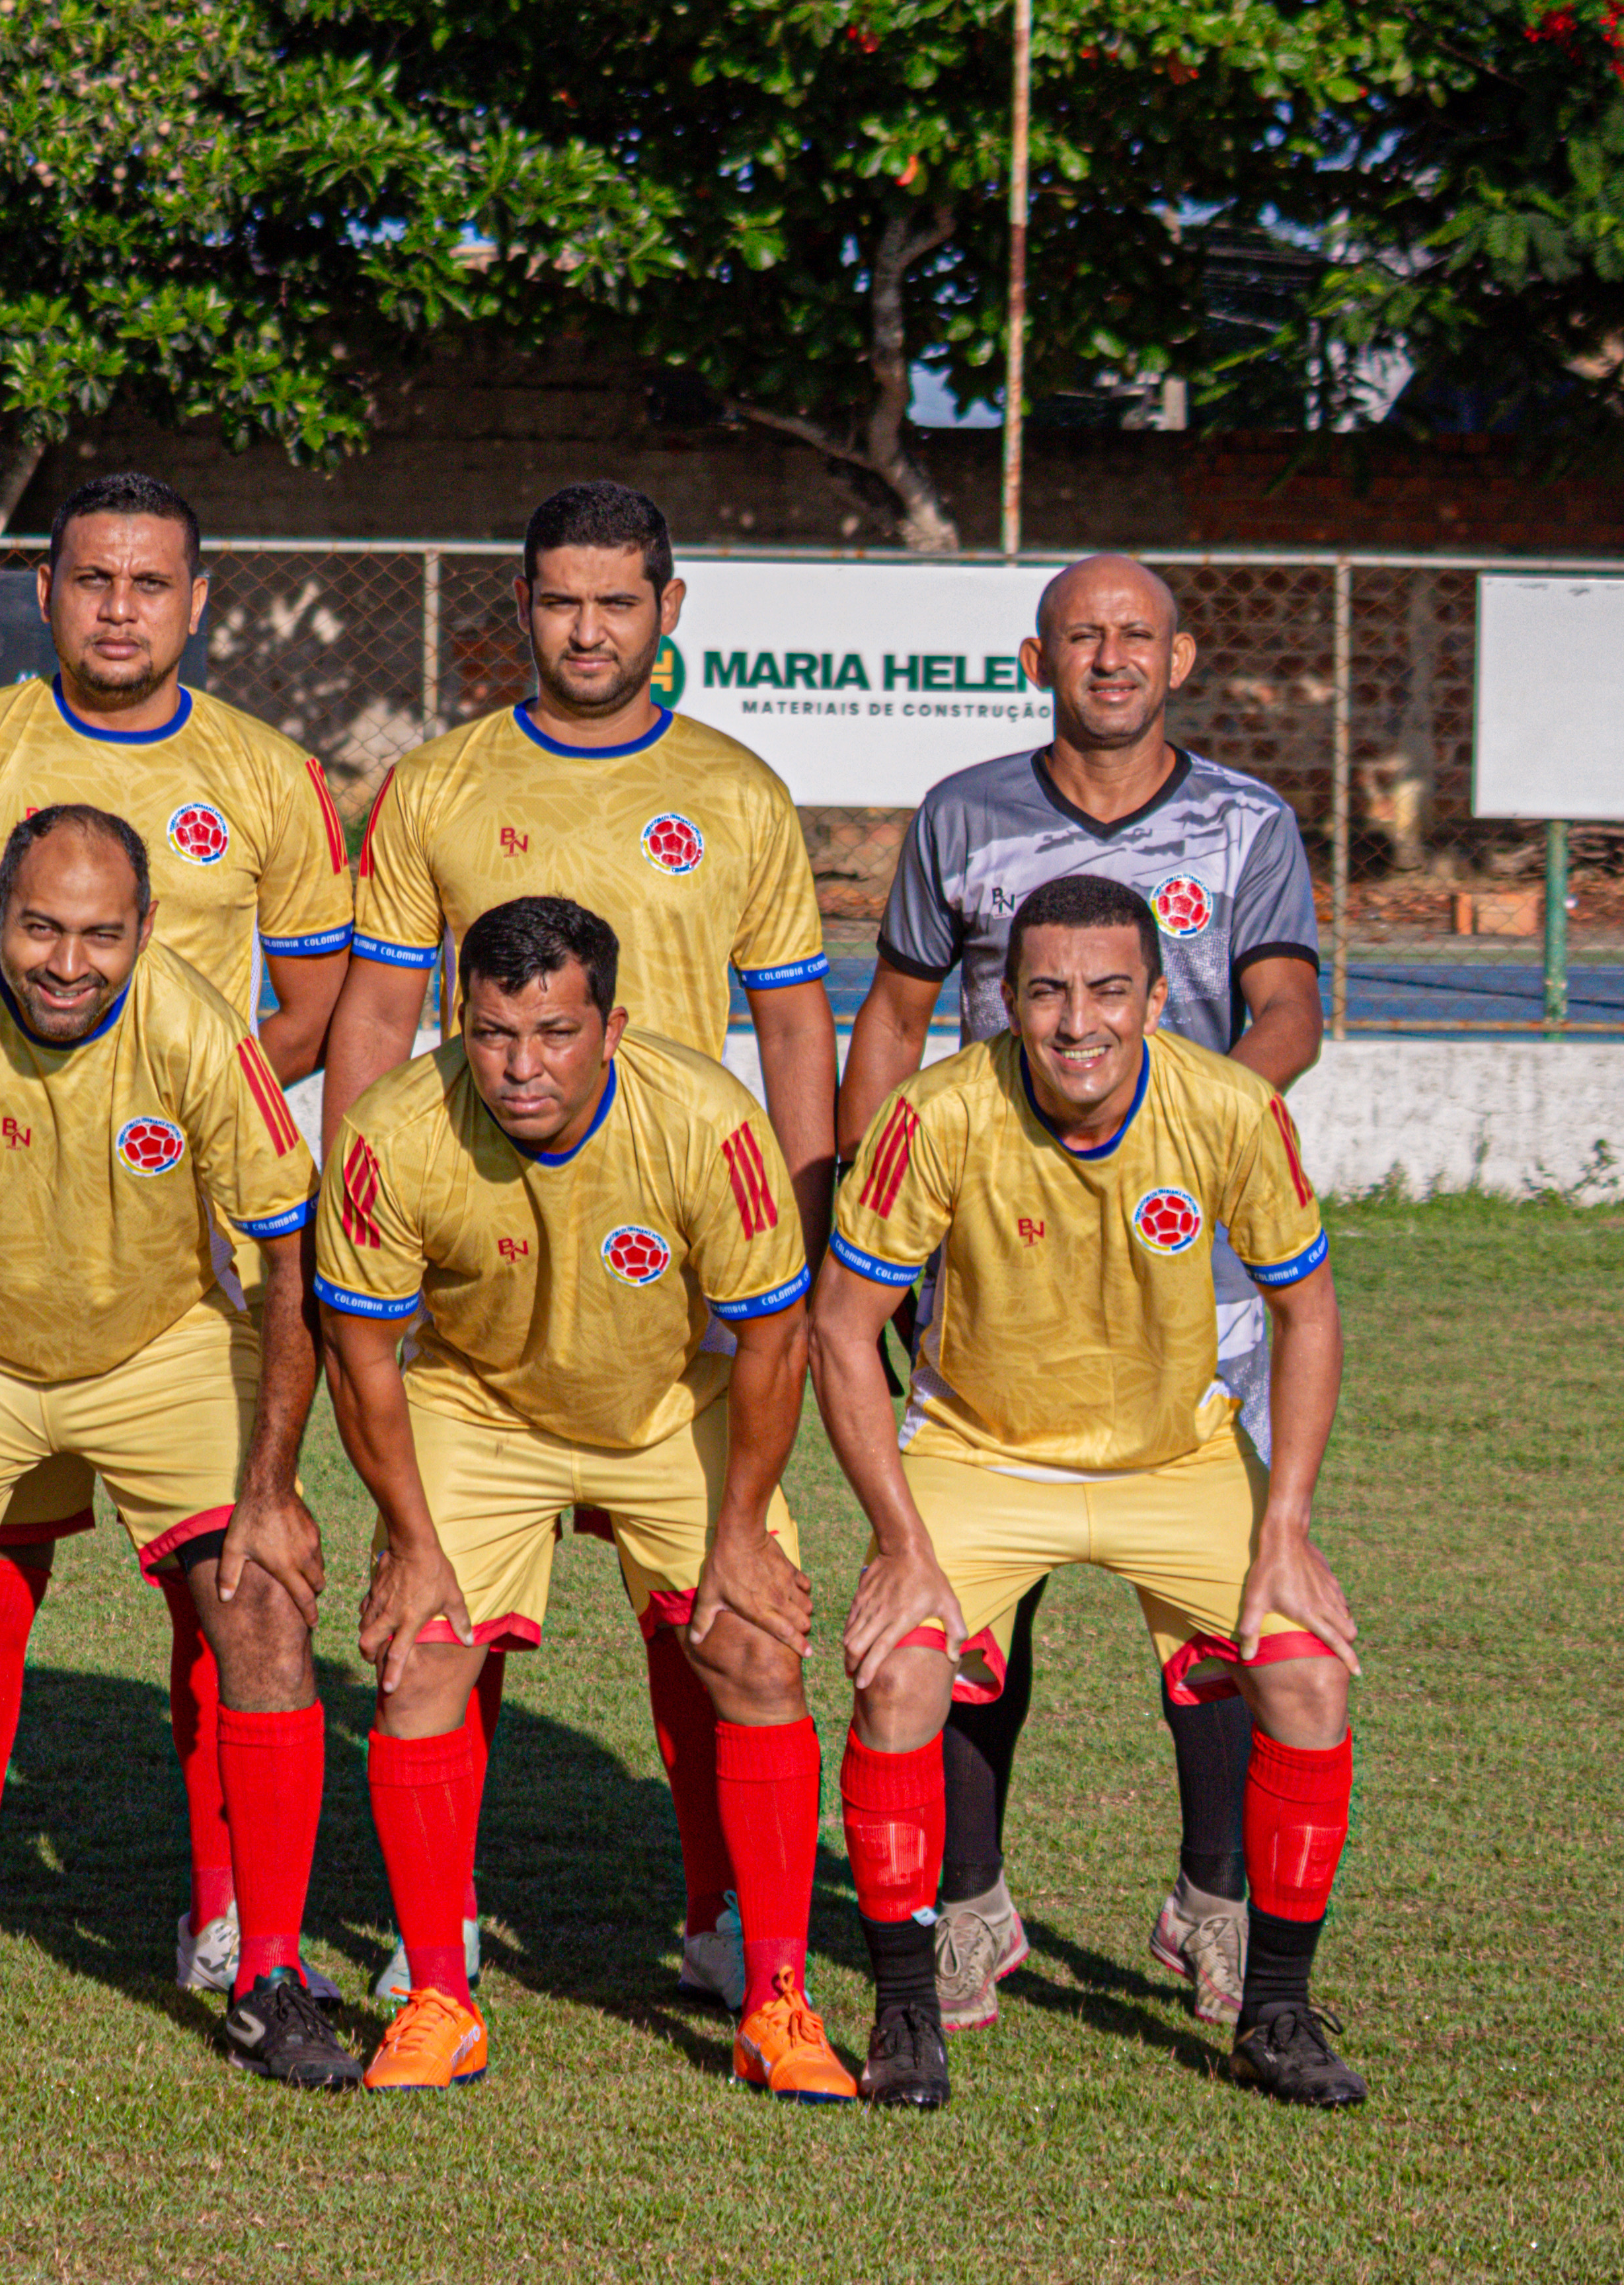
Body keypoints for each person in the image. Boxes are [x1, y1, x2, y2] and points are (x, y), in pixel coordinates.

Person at [319, 479, 837, 2006]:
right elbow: (373, 1013)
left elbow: (796, 1020)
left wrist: (798, 1230)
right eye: (561, 602)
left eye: (619, 602)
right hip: (488, 1271)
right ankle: (444, 1943)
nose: (589, 629)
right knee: (435, 1620)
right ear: (523, 609)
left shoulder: (737, 792)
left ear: (669, 613)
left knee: (718, 1622)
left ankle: (728, 1918)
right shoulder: (438, 785)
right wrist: (361, 1213)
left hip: (692, 1268)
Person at [0, 804, 356, 2087]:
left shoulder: (198, 1027)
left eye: (101, 934)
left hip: (161, 1350)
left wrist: (272, 1490)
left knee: (261, 1604)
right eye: (40, 926)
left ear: (146, 931)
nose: (67, 962)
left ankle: (268, 1973)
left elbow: (289, 1252)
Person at [0, 471, 353, 2009]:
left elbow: (323, 997)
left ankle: (226, 1911)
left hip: (188, 1240)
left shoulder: (267, 775)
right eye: (93, 580)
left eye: (152, 583)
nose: (121, 608)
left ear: (197, 600)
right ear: (45, 591)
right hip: (0, 1218)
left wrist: (191, 1114)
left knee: (222, 1582)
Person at [832, 552, 1328, 2033]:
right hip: (989, 1249)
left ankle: (1218, 1904)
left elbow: (1290, 999)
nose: (1109, 658)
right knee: (979, 1611)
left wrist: (1198, 1129)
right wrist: (865, 1185)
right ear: (1036, 656)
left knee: (1222, 1639)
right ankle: (973, 1906)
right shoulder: (965, 814)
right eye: (1080, 636)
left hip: (1190, 1259)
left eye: (1136, 636)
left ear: (1180, 659)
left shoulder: (1250, 821)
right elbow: (899, 1014)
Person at [810, 873, 1364, 2110]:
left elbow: (1306, 1308)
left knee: (1308, 1672)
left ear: (1158, 1000)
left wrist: (1288, 1531)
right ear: (1003, 997)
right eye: (1047, 990)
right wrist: (900, 1537)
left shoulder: (1230, 1107)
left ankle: (1273, 2008)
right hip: (980, 1452)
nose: (1077, 1024)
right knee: (897, 1668)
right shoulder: (937, 1113)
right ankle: (908, 2009)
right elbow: (842, 1328)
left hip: (1179, 1459)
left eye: (1109, 991)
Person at [319, 897, 853, 2101]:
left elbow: (775, 1340)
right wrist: (410, 1544)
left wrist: (739, 1535)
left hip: (672, 1399)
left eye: (556, 1032)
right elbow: (360, 1355)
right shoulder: (394, 1130)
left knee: (759, 1655)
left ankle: (777, 2001)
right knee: (420, 1659)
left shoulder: (709, 1121)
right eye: (497, 1031)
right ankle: (440, 2001)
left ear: (613, 1027)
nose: (521, 1066)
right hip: (480, 1403)